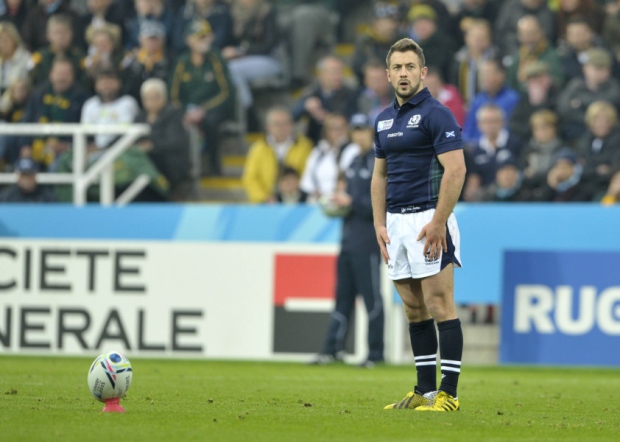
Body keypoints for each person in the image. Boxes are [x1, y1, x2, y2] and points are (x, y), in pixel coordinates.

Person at [372, 38, 466, 411]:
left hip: (428, 217)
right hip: (395, 223)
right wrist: (379, 223)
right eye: (397, 67)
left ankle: (450, 394)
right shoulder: (381, 119)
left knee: (440, 303)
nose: (404, 73)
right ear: (388, 74)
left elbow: (456, 169)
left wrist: (439, 221)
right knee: (413, 308)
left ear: (423, 72)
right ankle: (424, 391)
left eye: (410, 67)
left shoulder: (436, 114)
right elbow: (379, 176)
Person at [310, 113, 384, 368]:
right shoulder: (354, 162)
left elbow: (382, 204)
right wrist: (337, 203)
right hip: (349, 241)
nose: (360, 135)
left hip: (368, 243)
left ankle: (375, 354)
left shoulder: (378, 161)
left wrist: (350, 202)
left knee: (372, 299)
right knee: (342, 298)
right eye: (356, 130)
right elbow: (351, 201)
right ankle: (332, 349)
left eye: (364, 130)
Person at [169, 19, 235, 176]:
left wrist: (203, 110)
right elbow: (173, 93)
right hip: (186, 109)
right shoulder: (182, 62)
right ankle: (181, 170)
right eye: (199, 37)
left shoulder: (216, 58)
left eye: (206, 36)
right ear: (189, 40)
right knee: (172, 121)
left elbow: (226, 92)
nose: (204, 41)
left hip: (214, 108)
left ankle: (213, 164)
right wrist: (184, 111)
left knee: (210, 122)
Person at [134, 78, 191, 201]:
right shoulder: (140, 116)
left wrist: (152, 146)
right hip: (145, 162)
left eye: (155, 97)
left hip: (170, 162)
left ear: (164, 98)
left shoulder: (173, 114)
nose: (152, 101)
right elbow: (130, 137)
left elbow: (176, 142)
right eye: (148, 98)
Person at [242, 105, 313, 203]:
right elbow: (250, 178)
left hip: (296, 201)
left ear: (291, 125)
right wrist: (265, 198)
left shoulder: (304, 146)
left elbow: (308, 173)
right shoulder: (258, 148)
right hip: (265, 204)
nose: (281, 128)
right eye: (277, 124)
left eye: (285, 123)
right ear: (268, 126)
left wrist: (296, 192)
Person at [556, 48, 620, 140]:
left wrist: (580, 105)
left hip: (610, 138)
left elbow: (609, 106)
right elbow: (563, 109)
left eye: (604, 69)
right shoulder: (574, 86)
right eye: (596, 68)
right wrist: (590, 116)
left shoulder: (615, 87)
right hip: (576, 135)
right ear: (586, 68)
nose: (600, 73)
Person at [463, 104, 523, 202]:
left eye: (494, 121)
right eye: (486, 122)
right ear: (479, 124)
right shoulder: (475, 151)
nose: (490, 125)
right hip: (486, 202)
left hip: (514, 199)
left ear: (503, 122)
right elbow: (474, 178)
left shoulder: (516, 144)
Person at [292, 55, 357, 144]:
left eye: (340, 71)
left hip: (341, 143)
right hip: (315, 143)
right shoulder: (312, 92)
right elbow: (293, 116)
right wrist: (305, 105)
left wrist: (326, 117)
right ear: (321, 74)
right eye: (334, 72)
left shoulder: (350, 94)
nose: (338, 76)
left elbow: (350, 120)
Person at [299, 112, 359, 202]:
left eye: (342, 128)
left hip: (345, 199)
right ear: (327, 131)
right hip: (320, 201)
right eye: (334, 128)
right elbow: (307, 181)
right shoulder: (319, 151)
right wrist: (315, 192)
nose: (338, 132)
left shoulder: (354, 149)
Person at [462, 57, 520, 143]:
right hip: (477, 150)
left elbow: (513, 131)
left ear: (501, 75)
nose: (484, 78)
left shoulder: (513, 99)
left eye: (488, 74)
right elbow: (468, 132)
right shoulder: (477, 101)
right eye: (482, 74)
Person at [80, 68, 139, 151]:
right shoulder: (90, 104)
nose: (106, 86)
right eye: (102, 82)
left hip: (120, 150)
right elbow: (85, 133)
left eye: (110, 82)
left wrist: (105, 148)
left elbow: (125, 134)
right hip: (92, 151)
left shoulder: (127, 103)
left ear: (118, 83)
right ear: (96, 85)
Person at [0, 21, 31, 96]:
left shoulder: (26, 58)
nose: (4, 43)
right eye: (1, 40)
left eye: (6, 39)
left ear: (14, 39)